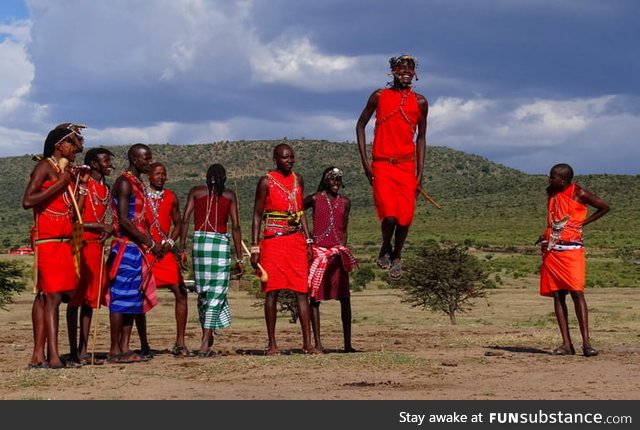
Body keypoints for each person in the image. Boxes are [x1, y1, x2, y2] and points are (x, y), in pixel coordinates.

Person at [356, 54, 429, 280]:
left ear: (415, 73)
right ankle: (386, 245)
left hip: (406, 167)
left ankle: (397, 256)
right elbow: (360, 127)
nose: (405, 72)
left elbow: (422, 139)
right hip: (382, 165)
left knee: (405, 217)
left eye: (410, 68)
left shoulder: (420, 102)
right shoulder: (379, 96)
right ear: (393, 71)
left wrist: (420, 173)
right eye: (401, 68)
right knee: (388, 215)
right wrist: (366, 163)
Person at [22, 124, 86, 369]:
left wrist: (78, 185)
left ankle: (39, 355)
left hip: (64, 242)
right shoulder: (44, 167)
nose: (77, 148)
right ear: (60, 145)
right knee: (52, 298)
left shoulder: (66, 171)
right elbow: (27, 201)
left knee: (45, 298)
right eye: (73, 143)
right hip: (47, 240)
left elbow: (73, 212)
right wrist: (61, 184)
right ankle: (54, 357)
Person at [250, 143, 317, 355]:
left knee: (301, 292)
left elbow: (301, 212)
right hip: (273, 241)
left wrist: (308, 240)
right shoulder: (266, 182)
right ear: (275, 159)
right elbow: (257, 216)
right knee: (272, 291)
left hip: (296, 240)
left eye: (292, 157)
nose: (290, 160)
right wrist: (254, 247)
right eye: (286, 157)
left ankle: (307, 344)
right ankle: (272, 344)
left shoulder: (299, 180)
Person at [538, 163, 609, 357]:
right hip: (552, 249)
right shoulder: (551, 192)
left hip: (572, 250)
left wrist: (581, 223)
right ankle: (567, 345)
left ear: (563, 179)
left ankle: (587, 344)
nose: (549, 179)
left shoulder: (579, 193)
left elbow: (604, 207)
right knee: (558, 295)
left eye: (553, 177)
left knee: (577, 292)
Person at [180, 163, 244, 357]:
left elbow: (185, 220)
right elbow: (236, 228)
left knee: (204, 294)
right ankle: (204, 343)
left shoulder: (196, 192)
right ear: (224, 178)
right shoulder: (230, 195)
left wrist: (182, 248)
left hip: (199, 244)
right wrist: (240, 257)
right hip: (220, 245)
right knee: (216, 293)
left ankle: (206, 339)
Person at [106, 144, 162, 364]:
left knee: (132, 298)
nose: (149, 162)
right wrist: (149, 242)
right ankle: (113, 350)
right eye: (146, 159)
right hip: (124, 247)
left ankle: (125, 348)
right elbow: (124, 220)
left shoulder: (137, 183)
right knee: (120, 299)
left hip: (135, 248)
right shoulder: (124, 183)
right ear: (134, 159)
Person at [66, 148, 115, 365]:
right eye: (106, 161)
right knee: (75, 300)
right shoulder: (81, 184)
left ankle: (84, 349)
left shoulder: (107, 188)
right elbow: (72, 218)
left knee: (90, 301)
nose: (109, 165)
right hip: (80, 244)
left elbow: (112, 218)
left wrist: (110, 228)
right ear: (94, 164)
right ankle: (73, 350)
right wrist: (97, 225)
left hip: (97, 246)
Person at [134, 162, 189, 358]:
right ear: (149, 175)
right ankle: (144, 344)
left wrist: (171, 242)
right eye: (157, 173)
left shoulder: (171, 197)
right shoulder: (140, 195)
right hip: (147, 251)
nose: (161, 177)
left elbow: (179, 223)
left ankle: (180, 342)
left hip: (165, 251)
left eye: (163, 174)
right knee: (140, 296)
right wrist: (149, 243)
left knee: (180, 292)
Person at [304, 166, 359, 353]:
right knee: (314, 299)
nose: (336, 183)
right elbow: (298, 211)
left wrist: (342, 247)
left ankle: (347, 344)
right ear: (325, 180)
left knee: (345, 298)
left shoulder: (346, 202)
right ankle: (318, 344)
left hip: (337, 255)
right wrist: (307, 237)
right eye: (332, 179)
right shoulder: (314, 199)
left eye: (338, 180)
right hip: (318, 253)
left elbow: (345, 227)